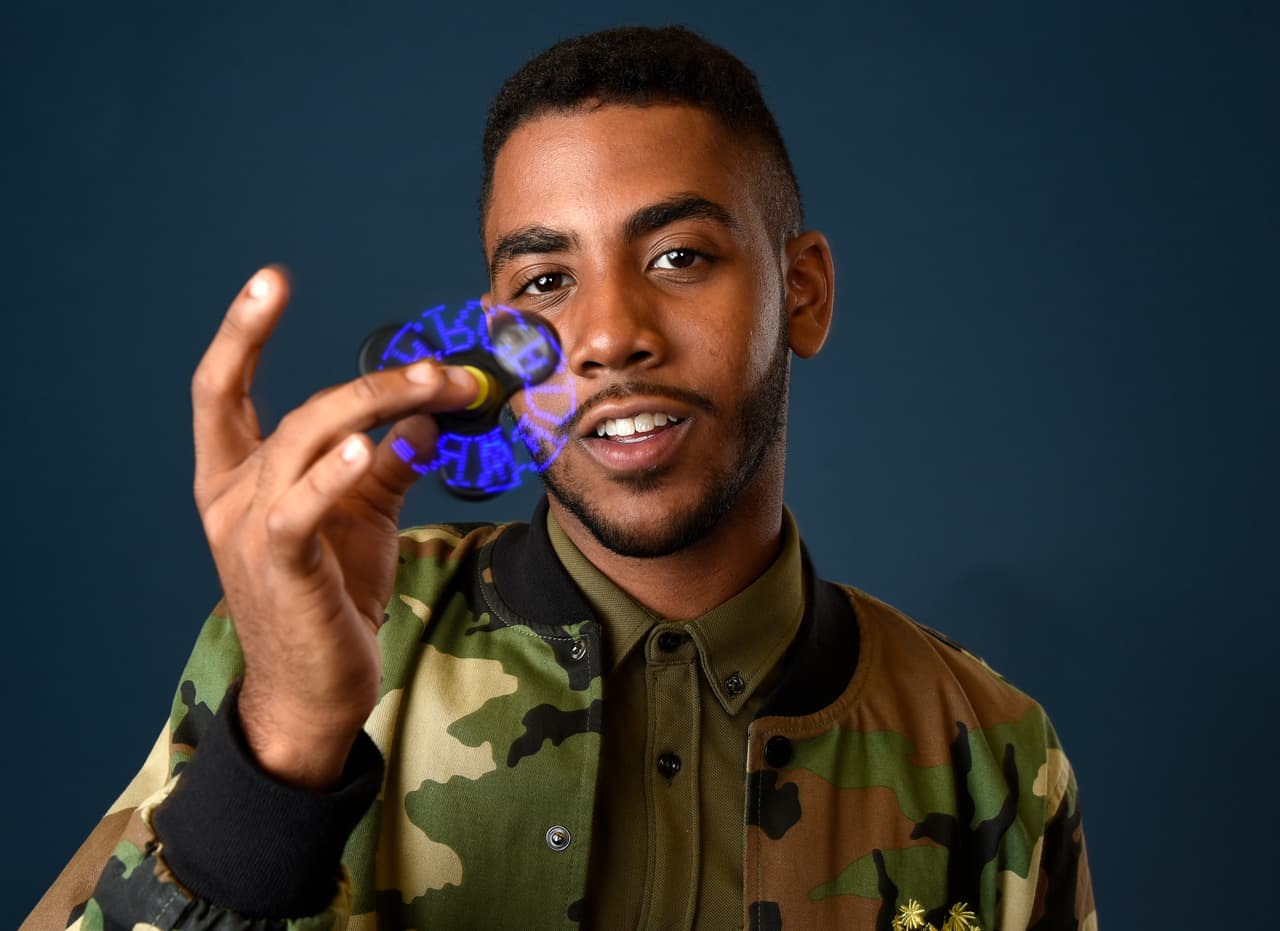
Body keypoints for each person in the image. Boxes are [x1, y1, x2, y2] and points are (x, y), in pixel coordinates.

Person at [26, 25, 1094, 931]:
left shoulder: (988, 749)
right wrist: (289, 740)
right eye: (544, 280)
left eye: (678, 256)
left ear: (801, 293)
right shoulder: (293, 637)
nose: (607, 336)